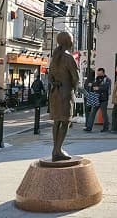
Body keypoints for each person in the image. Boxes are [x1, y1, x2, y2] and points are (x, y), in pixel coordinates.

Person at [48, 32, 79, 161]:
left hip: (55, 92)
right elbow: (75, 78)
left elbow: (49, 77)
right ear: (68, 42)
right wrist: (75, 88)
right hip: (66, 93)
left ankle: (55, 149)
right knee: (65, 121)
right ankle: (58, 149)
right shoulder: (68, 57)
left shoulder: (55, 57)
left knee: (57, 121)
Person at [84, 68, 111, 132]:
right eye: (98, 73)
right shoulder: (97, 79)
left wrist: (98, 88)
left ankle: (106, 128)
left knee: (104, 114)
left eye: (100, 73)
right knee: (92, 113)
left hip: (104, 99)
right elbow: (94, 86)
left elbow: (106, 87)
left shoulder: (107, 79)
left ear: (103, 73)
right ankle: (89, 127)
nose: (99, 75)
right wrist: (91, 85)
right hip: (96, 98)